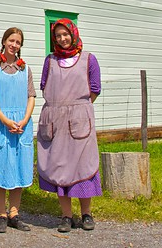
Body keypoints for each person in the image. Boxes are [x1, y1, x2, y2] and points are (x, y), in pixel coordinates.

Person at [36, 18, 102, 233]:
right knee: (59, 165)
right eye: (58, 36)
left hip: (79, 121)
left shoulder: (89, 59)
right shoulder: (50, 60)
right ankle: (66, 215)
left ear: (73, 34)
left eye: (66, 34)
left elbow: (95, 89)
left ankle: (86, 214)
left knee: (83, 166)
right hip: (55, 121)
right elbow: (44, 85)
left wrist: (77, 108)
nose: (62, 39)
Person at [0, 27, 36, 233]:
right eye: (11, 41)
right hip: (0, 123)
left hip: (21, 124)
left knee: (19, 168)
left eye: (18, 42)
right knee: (0, 167)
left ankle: (14, 213)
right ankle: (1, 214)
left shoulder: (25, 69)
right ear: (4, 41)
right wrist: (4, 119)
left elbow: (31, 96)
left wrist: (24, 119)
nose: (14, 45)